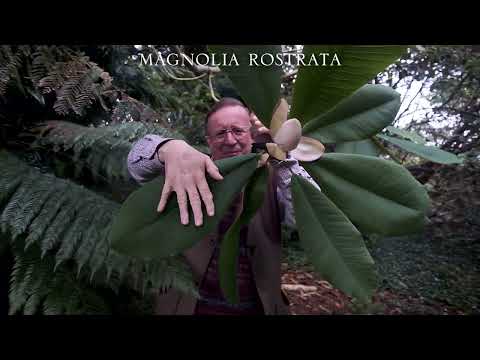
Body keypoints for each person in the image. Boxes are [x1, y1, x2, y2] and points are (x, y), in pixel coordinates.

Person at [127, 97, 320, 315]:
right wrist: (168, 147)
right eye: (220, 133)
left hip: (256, 307)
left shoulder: (275, 175)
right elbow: (136, 164)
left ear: (251, 135)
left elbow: (309, 215)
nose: (230, 140)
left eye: (238, 130)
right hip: (188, 306)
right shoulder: (186, 171)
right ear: (209, 141)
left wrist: (282, 152)